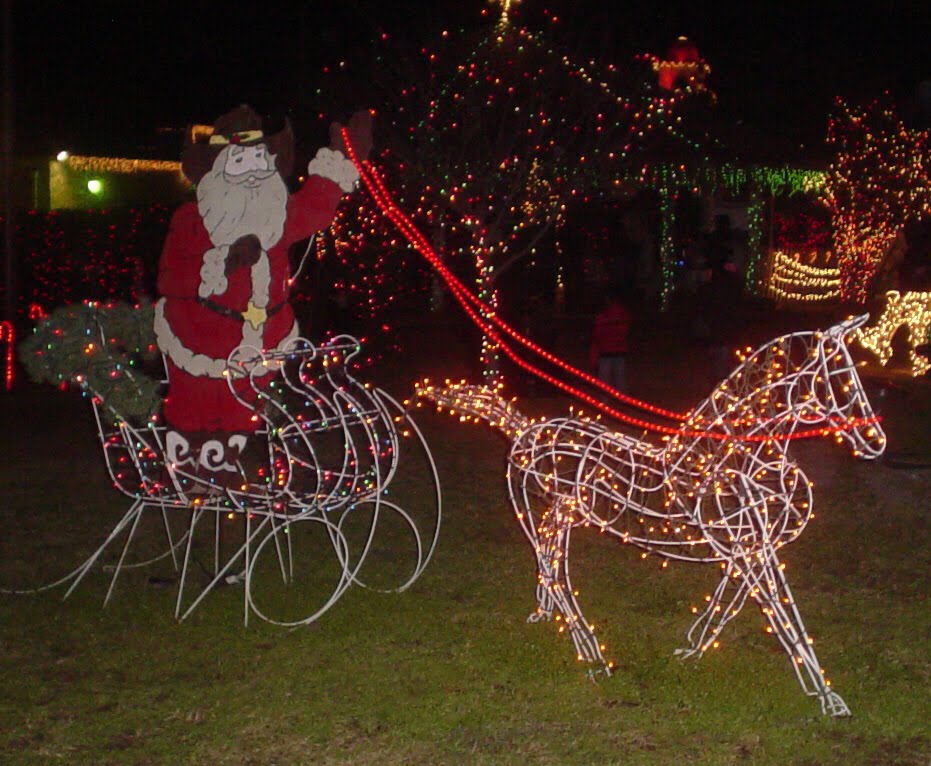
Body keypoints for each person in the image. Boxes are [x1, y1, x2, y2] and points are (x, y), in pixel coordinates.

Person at [154, 104, 372, 487]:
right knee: (196, 406)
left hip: (260, 337)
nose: (254, 170)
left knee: (241, 409)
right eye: (241, 161)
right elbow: (172, 275)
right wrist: (221, 264)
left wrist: (342, 160)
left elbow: (314, 209)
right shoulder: (193, 219)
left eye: (259, 158)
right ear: (217, 169)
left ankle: (222, 473)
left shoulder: (276, 215)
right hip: (201, 335)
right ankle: (186, 475)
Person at [588, 287, 633, 392]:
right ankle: (621, 402)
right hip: (619, 351)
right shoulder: (623, 314)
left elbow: (597, 335)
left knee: (604, 382)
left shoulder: (603, 316)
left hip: (606, 352)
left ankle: (605, 403)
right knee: (620, 381)